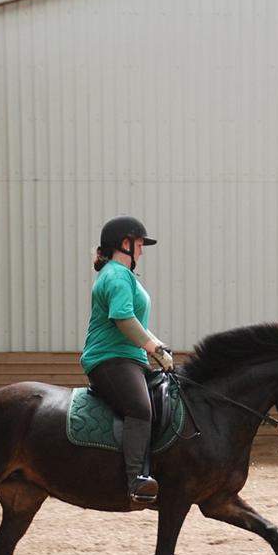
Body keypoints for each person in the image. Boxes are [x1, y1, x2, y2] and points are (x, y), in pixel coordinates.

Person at [80, 216, 174, 504]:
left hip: (130, 358)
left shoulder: (124, 275)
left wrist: (158, 347)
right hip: (110, 358)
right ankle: (135, 480)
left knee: (165, 401)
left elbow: (137, 322)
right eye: (139, 244)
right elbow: (123, 319)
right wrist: (155, 350)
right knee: (140, 408)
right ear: (125, 244)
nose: (142, 251)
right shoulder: (117, 275)